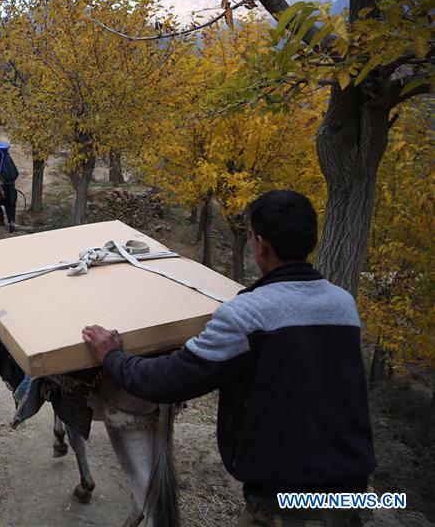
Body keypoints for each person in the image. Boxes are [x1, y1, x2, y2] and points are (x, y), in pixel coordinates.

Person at [82, 190, 375, 527]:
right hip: (353, 490)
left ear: (260, 245)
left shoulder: (246, 315)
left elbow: (170, 380)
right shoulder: (342, 304)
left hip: (289, 499)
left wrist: (112, 356)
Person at [0, 144, 19, 233]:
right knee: (11, 205)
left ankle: (1, 220)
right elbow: (16, 173)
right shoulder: (9, 159)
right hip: (11, 187)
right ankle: (12, 222)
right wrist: (11, 182)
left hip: (1, 188)